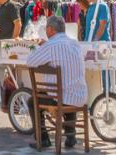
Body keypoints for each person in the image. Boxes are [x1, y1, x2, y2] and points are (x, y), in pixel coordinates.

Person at [25, 15, 87, 150]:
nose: (46, 31)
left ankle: (43, 139)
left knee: (32, 101)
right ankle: (71, 136)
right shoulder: (75, 44)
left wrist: (41, 47)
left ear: (51, 29)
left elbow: (30, 61)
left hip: (61, 98)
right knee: (68, 89)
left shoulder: (50, 45)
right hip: (80, 97)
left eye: (46, 28)